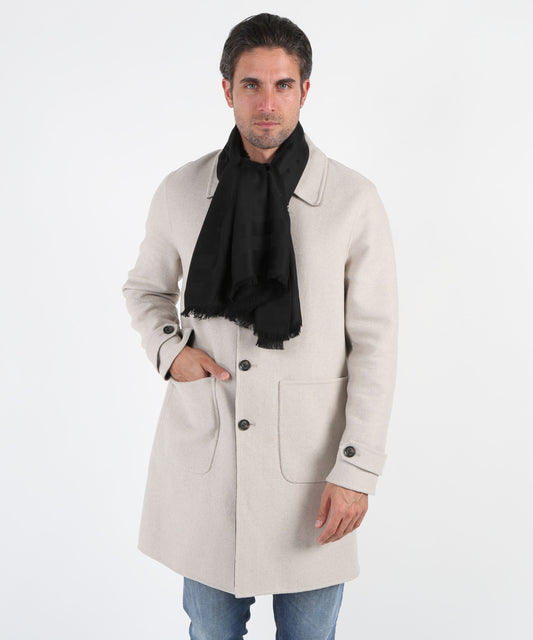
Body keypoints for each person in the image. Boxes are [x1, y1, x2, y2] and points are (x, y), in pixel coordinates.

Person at [122, 12, 398, 640]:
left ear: (305, 90)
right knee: (210, 632)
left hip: (311, 475)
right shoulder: (182, 191)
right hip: (208, 467)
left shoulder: (352, 201)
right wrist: (170, 352)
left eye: (282, 85)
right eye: (251, 84)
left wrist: (357, 472)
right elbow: (145, 290)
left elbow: (376, 346)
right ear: (227, 90)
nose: (267, 103)